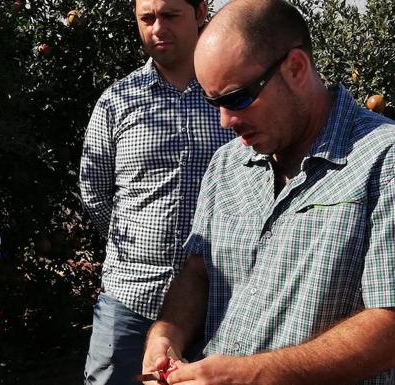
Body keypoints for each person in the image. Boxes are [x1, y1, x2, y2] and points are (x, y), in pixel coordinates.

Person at [142, 0, 395, 383]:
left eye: (237, 97)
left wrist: (255, 374)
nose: (226, 121)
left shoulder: (383, 161)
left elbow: (390, 325)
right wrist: (167, 332)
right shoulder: (227, 164)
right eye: (215, 103)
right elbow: (197, 272)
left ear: (295, 68)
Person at [79, 0, 235, 383]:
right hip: (130, 299)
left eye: (170, 16)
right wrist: (136, 248)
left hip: (218, 300)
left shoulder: (230, 97)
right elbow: (94, 189)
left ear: (200, 12)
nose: (157, 28)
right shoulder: (118, 101)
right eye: (146, 19)